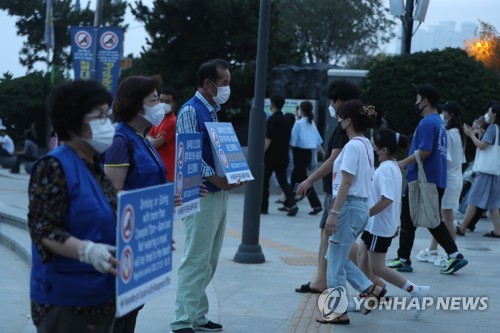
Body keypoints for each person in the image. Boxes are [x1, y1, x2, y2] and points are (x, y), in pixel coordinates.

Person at [27, 80, 118, 333]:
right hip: (67, 302)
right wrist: (87, 251)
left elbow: (109, 216)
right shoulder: (53, 167)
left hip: (102, 295)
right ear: (73, 121)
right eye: (99, 116)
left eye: (108, 115)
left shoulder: (95, 167)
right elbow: (43, 230)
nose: (107, 122)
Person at [170, 59, 243, 333]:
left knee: (209, 258)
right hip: (200, 192)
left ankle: (198, 316)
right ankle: (181, 322)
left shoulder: (212, 111)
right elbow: (189, 154)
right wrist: (216, 178)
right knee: (195, 258)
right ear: (208, 84)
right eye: (224, 83)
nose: (227, 88)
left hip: (217, 192)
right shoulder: (191, 111)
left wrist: (233, 174)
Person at [102, 75, 170, 333]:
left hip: (143, 234)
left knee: (135, 304)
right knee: (122, 309)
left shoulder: (142, 138)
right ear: (136, 105)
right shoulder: (120, 140)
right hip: (124, 237)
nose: (160, 106)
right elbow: (113, 193)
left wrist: (168, 197)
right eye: (154, 100)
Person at [388, 84, 468, 275]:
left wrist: (401, 163)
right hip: (434, 179)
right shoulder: (438, 123)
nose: (415, 103)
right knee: (410, 218)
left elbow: (424, 151)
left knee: (430, 220)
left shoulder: (427, 123)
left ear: (424, 101)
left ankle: (454, 255)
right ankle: (404, 258)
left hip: (423, 180)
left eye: (417, 100)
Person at [316, 100, 384, 325]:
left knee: (334, 262)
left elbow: (346, 182)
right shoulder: (364, 144)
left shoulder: (353, 146)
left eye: (341, 117)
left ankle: (338, 312)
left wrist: (334, 213)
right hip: (358, 207)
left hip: (348, 207)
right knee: (335, 256)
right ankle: (369, 288)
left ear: (348, 120)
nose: (339, 120)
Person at [295, 79, 361, 294]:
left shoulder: (345, 127)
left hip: (338, 192)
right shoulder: (354, 124)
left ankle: (326, 281)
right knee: (335, 238)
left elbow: (333, 160)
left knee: (331, 237)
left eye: (332, 103)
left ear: (339, 101)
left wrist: (309, 180)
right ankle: (368, 280)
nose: (331, 107)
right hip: (343, 193)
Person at [357, 128, 430, 319]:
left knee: (377, 267)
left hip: (378, 226)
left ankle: (416, 290)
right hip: (377, 225)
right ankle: (368, 293)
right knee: (361, 257)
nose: (372, 145)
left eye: (374, 143)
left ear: (383, 150)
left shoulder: (386, 170)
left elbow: (387, 199)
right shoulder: (391, 167)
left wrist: (366, 214)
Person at [416, 101, 466, 266]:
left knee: (446, 218)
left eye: (444, 112)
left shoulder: (450, 134)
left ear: (450, 115)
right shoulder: (457, 133)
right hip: (454, 177)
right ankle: (433, 250)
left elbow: (444, 157)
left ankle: (451, 253)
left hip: (449, 179)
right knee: (440, 218)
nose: (441, 115)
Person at [456, 103, 500, 237]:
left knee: (474, 198)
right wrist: (479, 133)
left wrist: (470, 134)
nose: (487, 113)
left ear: (494, 114)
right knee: (493, 202)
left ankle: (462, 227)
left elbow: (481, 146)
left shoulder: (492, 128)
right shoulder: (497, 128)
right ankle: (498, 230)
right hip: (494, 170)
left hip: (485, 170)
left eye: (490, 111)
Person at [261, 94, 298, 216]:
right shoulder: (287, 120)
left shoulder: (272, 119)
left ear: (272, 104)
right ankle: (292, 203)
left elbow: (268, 139)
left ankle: (263, 208)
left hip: (270, 157)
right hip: (283, 156)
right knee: (283, 181)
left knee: (264, 182)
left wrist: (261, 153)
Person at [290, 100, 324, 215]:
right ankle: (290, 200)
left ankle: (316, 204)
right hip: (308, 154)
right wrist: (324, 155)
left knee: (303, 179)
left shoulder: (298, 123)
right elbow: (318, 141)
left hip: (299, 153)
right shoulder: (311, 123)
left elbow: (293, 142)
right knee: (295, 176)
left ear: (301, 110)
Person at [148, 87, 178, 181]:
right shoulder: (158, 119)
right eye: (161, 100)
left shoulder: (172, 121)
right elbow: (148, 138)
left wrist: (150, 139)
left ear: (174, 104)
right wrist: (150, 139)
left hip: (169, 172)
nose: (163, 104)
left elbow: (155, 143)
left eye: (167, 101)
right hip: (159, 169)